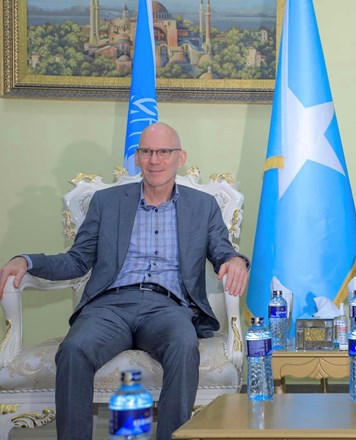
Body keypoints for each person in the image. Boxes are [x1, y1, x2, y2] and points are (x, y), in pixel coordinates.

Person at [0, 122, 250, 440]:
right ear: (137, 157)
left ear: (181, 157)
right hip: (109, 306)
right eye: (146, 151)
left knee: (184, 345)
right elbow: (76, 260)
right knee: (74, 349)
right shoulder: (107, 202)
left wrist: (236, 261)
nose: (154, 160)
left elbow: (223, 252)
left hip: (168, 307)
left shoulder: (202, 206)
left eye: (164, 151)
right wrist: (27, 261)